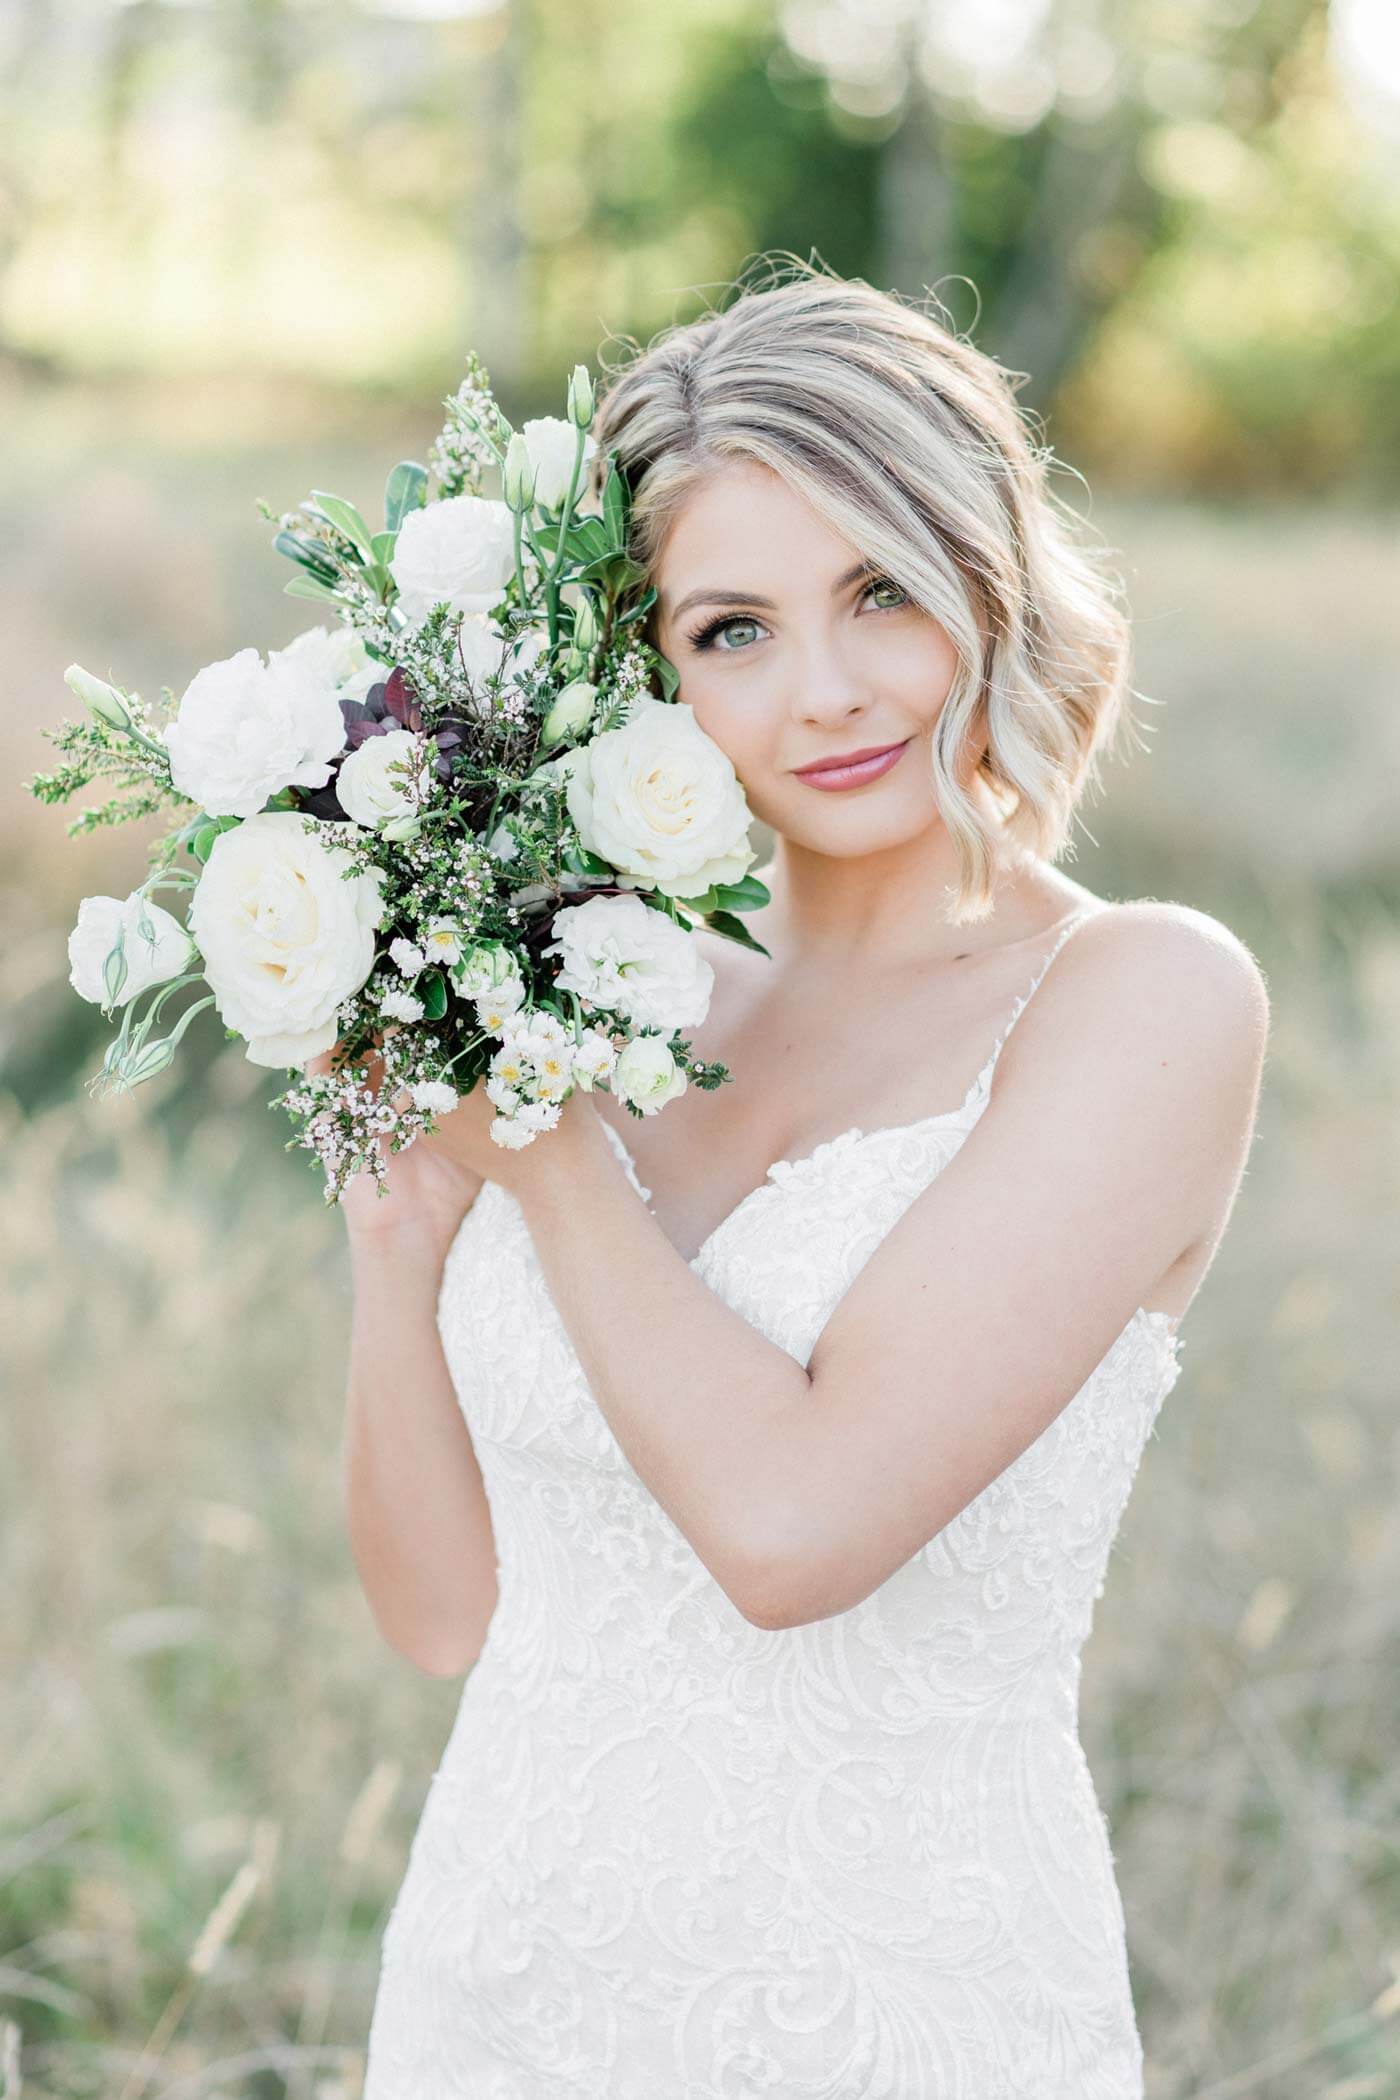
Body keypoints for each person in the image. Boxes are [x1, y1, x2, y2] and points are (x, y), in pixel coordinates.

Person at [347, 262, 1269, 2099]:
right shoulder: (598, 978)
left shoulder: (1139, 1001)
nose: (827, 693)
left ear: (987, 582)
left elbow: (790, 1538)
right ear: (649, 663)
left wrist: (541, 1168)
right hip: (503, 1981)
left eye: (879, 593)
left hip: (887, 2007)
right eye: (733, 629)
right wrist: (396, 1230)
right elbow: (448, 1615)